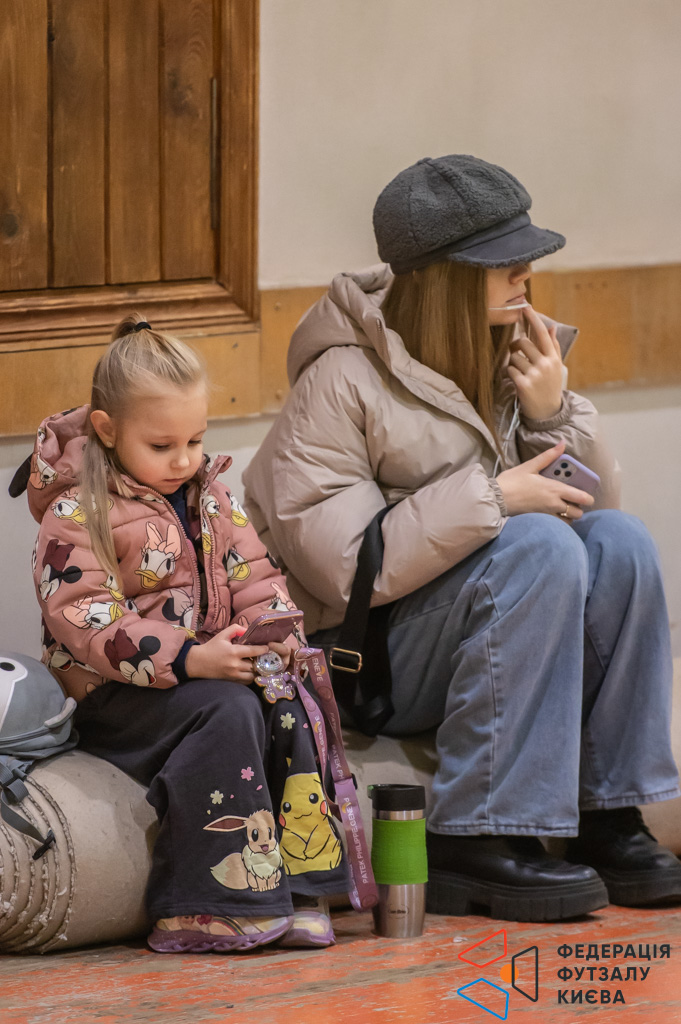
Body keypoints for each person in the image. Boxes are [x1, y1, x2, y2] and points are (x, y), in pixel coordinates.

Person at [243, 154, 681, 922]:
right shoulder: (339, 381)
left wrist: (550, 413)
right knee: (538, 545)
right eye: (504, 261)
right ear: (444, 277)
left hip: (476, 630)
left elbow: (593, 518)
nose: (525, 273)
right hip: (370, 658)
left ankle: (609, 817)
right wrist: (492, 497)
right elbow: (343, 569)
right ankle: (473, 835)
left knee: (619, 540)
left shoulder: (507, 351)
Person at [26, 316, 349, 953]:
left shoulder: (213, 497)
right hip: (114, 696)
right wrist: (192, 658)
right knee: (227, 710)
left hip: (201, 672)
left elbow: (257, 577)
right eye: (162, 444)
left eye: (196, 440)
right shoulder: (75, 513)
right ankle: (201, 904)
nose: (184, 459)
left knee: (286, 700)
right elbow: (87, 619)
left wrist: (277, 635)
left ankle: (306, 888)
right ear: (107, 430)